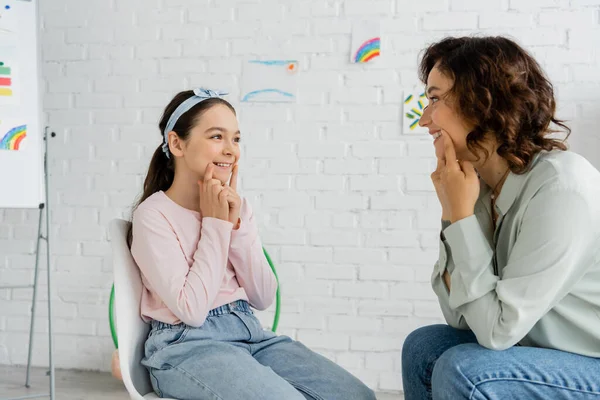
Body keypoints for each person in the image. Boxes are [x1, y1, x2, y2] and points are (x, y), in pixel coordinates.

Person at [129, 88, 376, 400]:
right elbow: (191, 311)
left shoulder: (238, 208)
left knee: (357, 396)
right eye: (217, 136)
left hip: (250, 333)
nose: (231, 150)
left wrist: (236, 226)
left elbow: (262, 296)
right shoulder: (153, 216)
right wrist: (215, 224)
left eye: (236, 139)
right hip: (186, 347)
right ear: (177, 143)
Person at [401, 37, 600, 399]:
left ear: (482, 102)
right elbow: (460, 318)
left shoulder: (561, 189)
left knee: (467, 371)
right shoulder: (479, 188)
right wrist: (453, 213)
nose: (424, 120)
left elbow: (496, 331)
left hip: (591, 363)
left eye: (434, 99)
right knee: (423, 347)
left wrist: (459, 217)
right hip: (543, 350)